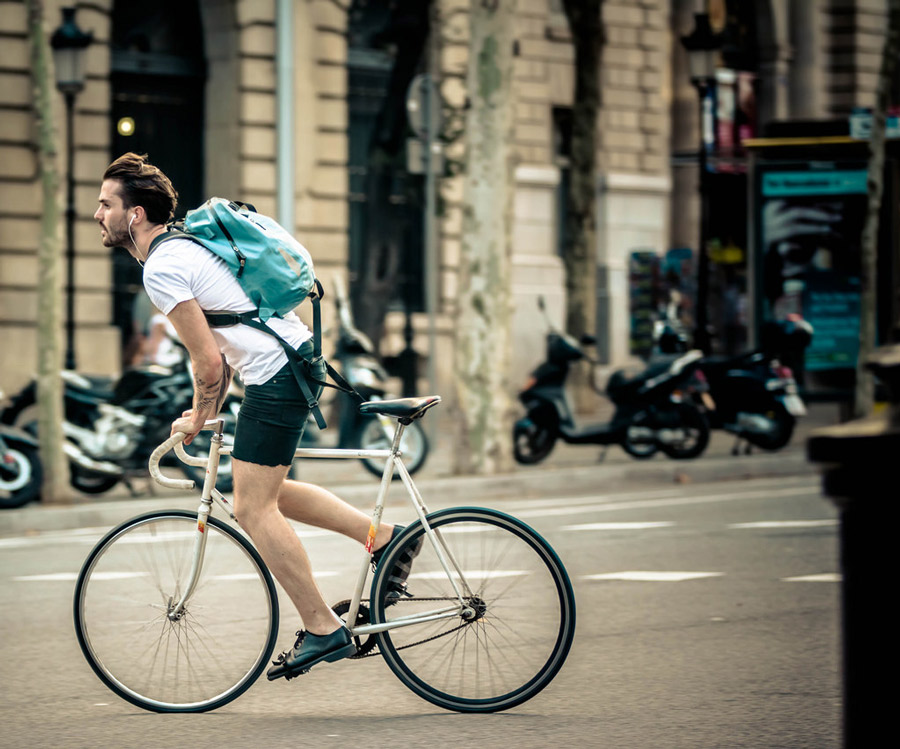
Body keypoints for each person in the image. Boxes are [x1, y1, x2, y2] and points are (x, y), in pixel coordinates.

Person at [95, 152, 412, 679]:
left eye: (106, 204)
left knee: (250, 508)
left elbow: (206, 359)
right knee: (262, 491)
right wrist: (206, 407)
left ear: (134, 215)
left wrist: (197, 418)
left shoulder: (163, 265)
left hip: (278, 372)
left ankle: (322, 628)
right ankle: (382, 536)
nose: (97, 213)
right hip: (287, 363)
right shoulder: (179, 250)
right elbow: (218, 351)